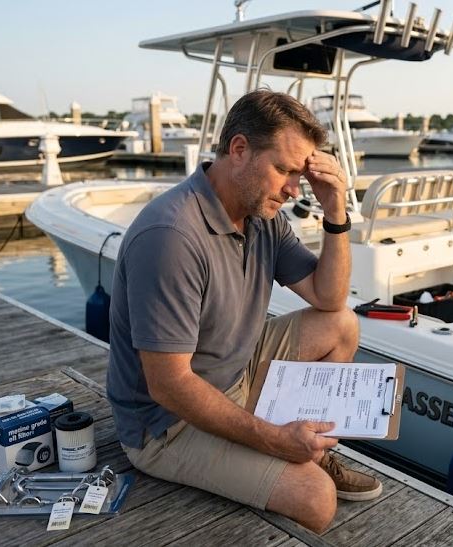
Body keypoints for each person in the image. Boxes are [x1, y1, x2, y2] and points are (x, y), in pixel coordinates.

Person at [106, 90, 382, 533]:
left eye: (300, 175)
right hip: (166, 425)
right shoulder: (171, 235)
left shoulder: (263, 213)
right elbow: (169, 386)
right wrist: (274, 440)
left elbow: (328, 298)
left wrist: (335, 211)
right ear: (239, 150)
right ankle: (287, 453)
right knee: (316, 499)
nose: (294, 190)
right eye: (284, 170)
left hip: (236, 374)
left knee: (341, 324)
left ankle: (311, 446)